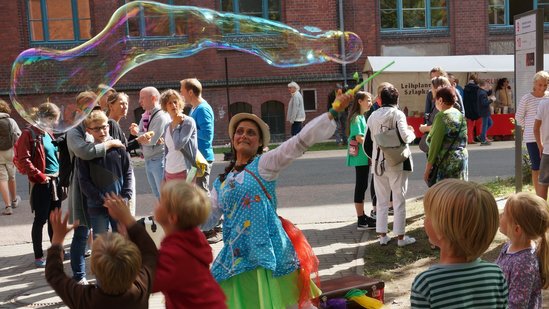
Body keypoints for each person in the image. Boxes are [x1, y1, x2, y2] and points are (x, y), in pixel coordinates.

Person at [201, 92, 353, 308]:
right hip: (237, 260)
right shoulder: (221, 182)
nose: (244, 135)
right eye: (240, 131)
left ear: (260, 142)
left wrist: (332, 112)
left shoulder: (264, 165)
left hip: (270, 255)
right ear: (233, 139)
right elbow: (207, 219)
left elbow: (297, 143)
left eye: (251, 133)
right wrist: (181, 211)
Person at [45, 193, 157, 309]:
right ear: (135, 265)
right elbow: (150, 253)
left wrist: (57, 240)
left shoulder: (86, 299)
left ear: (93, 268)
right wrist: (128, 220)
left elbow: (54, 275)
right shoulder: (140, 289)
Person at [411, 179, 508, 308]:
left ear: (441, 229)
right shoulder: (495, 275)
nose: (424, 220)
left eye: (427, 215)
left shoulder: (427, 284)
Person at [67, 92, 125, 284]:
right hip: (83, 188)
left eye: (94, 106)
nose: (91, 110)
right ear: (79, 109)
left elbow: (121, 155)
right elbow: (85, 152)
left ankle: (113, 275)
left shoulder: (103, 125)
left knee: (109, 236)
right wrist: (109, 144)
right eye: (86, 107)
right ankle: (79, 276)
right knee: (82, 233)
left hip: (104, 188)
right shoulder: (74, 131)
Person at [152, 180, 226, 308]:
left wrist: (130, 225)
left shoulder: (176, 252)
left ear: (172, 218)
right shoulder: (191, 240)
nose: (156, 203)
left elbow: (149, 282)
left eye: (161, 201)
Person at [367, 84, 416, 247]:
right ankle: (401, 237)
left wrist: (374, 158)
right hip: (396, 162)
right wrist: (412, 131)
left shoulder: (373, 116)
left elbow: (367, 143)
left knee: (381, 201)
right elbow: (405, 136)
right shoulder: (398, 114)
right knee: (398, 199)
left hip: (378, 163)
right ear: (397, 99)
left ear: (381, 100)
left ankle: (382, 235)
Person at [15, 102, 63, 267]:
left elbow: (55, 155)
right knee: (41, 219)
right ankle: (38, 256)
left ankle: (56, 252)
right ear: (47, 118)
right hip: (42, 183)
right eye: (54, 119)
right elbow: (24, 159)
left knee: (54, 220)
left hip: (55, 181)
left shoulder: (48, 133)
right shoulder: (28, 133)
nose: (56, 123)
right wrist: (40, 176)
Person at [78, 110, 133, 235]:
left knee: (121, 239)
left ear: (108, 126)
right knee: (101, 241)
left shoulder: (118, 148)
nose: (102, 132)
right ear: (88, 130)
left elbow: (128, 172)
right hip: (97, 206)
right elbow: (84, 181)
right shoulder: (87, 153)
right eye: (96, 129)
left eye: (104, 127)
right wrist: (103, 200)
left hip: (119, 203)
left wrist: (125, 195)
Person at [495, 192, 549, 309]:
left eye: (504, 214)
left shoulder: (524, 263)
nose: (500, 216)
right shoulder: (508, 246)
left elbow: (517, 305)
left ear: (517, 229)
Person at [130, 86, 170, 199]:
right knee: (158, 195)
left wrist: (137, 133)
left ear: (153, 98)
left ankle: (169, 217)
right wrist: (138, 132)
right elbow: (143, 134)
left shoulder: (160, 116)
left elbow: (150, 140)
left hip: (158, 159)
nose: (139, 101)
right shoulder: (146, 114)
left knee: (163, 196)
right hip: (149, 159)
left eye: (142, 98)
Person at [423, 86, 468, 185]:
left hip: (447, 162)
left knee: (446, 194)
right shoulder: (459, 114)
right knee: (460, 192)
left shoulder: (441, 116)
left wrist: (427, 169)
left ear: (440, 100)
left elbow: (435, 145)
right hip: (461, 158)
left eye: (435, 100)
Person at [346, 91, 376, 230]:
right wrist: (374, 145)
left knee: (363, 185)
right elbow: (359, 138)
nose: (370, 103)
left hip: (363, 157)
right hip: (360, 157)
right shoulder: (357, 118)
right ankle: (360, 220)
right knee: (361, 186)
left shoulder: (361, 117)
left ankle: (362, 216)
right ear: (360, 101)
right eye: (368, 100)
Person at [516, 71, 549, 197]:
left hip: (545, 137)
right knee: (536, 166)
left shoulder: (547, 97)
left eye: (545, 85)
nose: (542, 88)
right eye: (540, 85)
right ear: (534, 84)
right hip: (532, 137)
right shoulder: (527, 98)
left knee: (545, 167)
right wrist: (526, 128)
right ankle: (537, 194)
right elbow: (519, 116)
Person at [180, 78, 215, 193]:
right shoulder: (194, 108)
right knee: (195, 192)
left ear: (190, 92)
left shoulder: (202, 109)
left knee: (202, 193)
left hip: (202, 158)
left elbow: (207, 135)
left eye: (182, 92)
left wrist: (189, 130)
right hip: (195, 157)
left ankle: (208, 212)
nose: (181, 95)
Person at [160, 89, 198, 182]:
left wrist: (176, 125)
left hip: (184, 171)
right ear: (165, 106)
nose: (173, 105)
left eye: (175, 102)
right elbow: (167, 151)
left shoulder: (188, 122)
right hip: (169, 172)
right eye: (169, 103)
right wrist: (164, 175)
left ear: (180, 103)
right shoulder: (167, 126)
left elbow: (178, 145)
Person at [0, 100, 21, 215]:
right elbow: (19, 135)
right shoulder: (10, 120)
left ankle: (8, 207)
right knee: (11, 176)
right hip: (10, 151)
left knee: (2, 179)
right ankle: (14, 200)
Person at [535, 95, 549, 200]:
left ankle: (541, 214)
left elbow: (536, 128)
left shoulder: (543, 103)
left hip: (547, 150)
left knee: (543, 183)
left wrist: (540, 145)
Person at [463, 73, 482, 144]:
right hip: (474, 108)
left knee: (470, 125)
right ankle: (473, 139)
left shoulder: (466, 88)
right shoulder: (476, 88)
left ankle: (470, 139)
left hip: (467, 109)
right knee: (475, 125)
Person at [478, 80, 494, 145]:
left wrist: (490, 90)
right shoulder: (482, 93)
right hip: (484, 111)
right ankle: (483, 140)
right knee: (485, 125)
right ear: (484, 85)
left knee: (490, 123)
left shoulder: (481, 91)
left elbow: (487, 93)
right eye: (487, 85)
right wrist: (491, 100)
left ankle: (482, 136)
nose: (487, 86)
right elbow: (484, 103)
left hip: (485, 111)